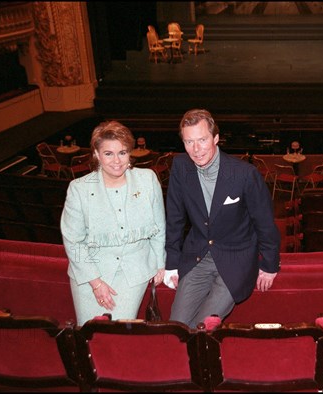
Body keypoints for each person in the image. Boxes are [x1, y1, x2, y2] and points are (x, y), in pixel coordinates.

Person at [164, 109, 281, 329]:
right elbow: (175, 217)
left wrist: (270, 265)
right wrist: (171, 263)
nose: (196, 149)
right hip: (198, 256)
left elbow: (264, 222)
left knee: (203, 327)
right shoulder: (180, 167)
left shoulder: (244, 174)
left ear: (216, 138)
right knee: (176, 327)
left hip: (236, 259)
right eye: (189, 142)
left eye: (202, 140)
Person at [60, 120, 166, 325]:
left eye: (123, 153)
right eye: (108, 153)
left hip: (133, 272)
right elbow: (73, 241)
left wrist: (159, 262)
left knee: (118, 333)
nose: (117, 161)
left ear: (130, 153)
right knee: (89, 332)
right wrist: (96, 283)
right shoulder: (79, 189)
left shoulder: (147, 179)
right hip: (89, 274)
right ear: (97, 155)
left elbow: (159, 226)